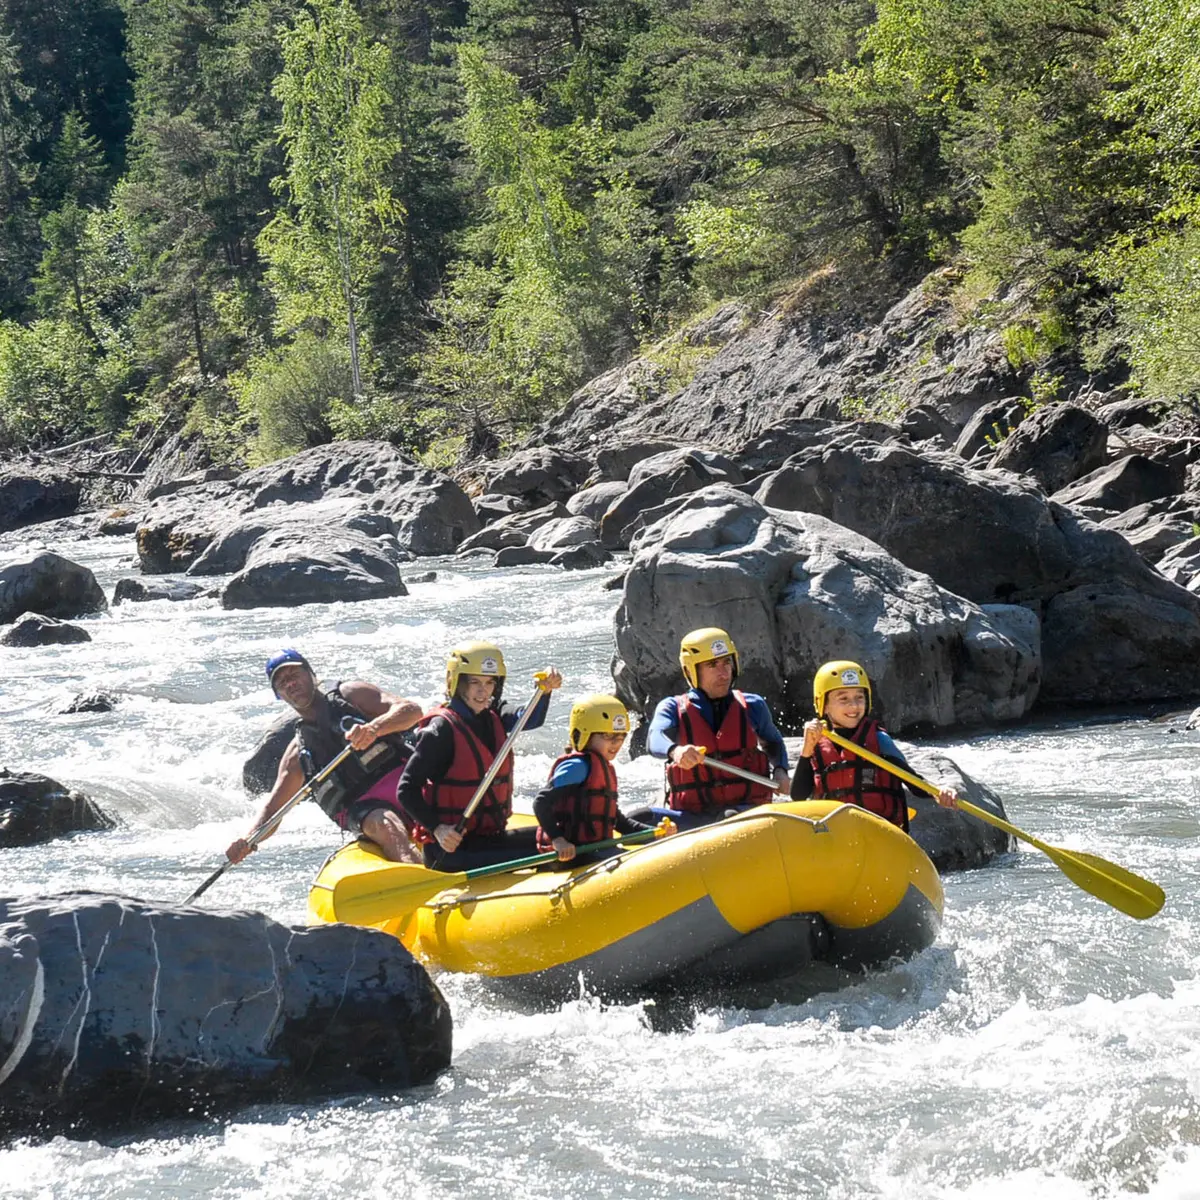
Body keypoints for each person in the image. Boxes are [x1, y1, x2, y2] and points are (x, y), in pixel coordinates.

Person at [225, 649, 423, 865]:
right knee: (386, 824)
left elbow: (412, 711)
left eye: (294, 675)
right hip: (367, 810)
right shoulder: (296, 756)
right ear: (279, 695)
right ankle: (427, 883)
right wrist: (248, 840)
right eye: (282, 682)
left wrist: (374, 728)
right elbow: (272, 810)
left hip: (407, 783)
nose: (290, 684)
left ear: (312, 675)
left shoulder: (352, 695)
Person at [396, 640, 562, 871]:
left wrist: (544, 693)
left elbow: (529, 718)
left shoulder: (494, 713)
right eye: (474, 682)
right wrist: (438, 828)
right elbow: (406, 788)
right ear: (457, 683)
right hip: (451, 851)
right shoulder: (441, 730)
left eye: (489, 683)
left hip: (488, 838)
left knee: (562, 834)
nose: (483, 691)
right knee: (552, 850)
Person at [647, 627, 790, 829]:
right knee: (641, 816)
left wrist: (780, 770)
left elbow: (773, 742)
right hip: (693, 816)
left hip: (745, 811)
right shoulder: (672, 708)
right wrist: (675, 750)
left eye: (727, 663)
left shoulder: (753, 705)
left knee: (728, 817)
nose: (724, 673)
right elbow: (654, 738)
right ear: (691, 670)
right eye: (713, 665)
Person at [791, 660, 958, 832]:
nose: (854, 706)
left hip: (879, 833)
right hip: (836, 836)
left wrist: (939, 793)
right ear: (824, 704)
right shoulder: (817, 743)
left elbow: (914, 783)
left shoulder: (879, 739)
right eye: (843, 699)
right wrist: (807, 749)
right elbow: (798, 795)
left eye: (859, 697)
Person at [533, 694, 668, 864]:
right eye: (608, 736)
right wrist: (558, 839)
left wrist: (655, 833)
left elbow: (619, 822)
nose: (616, 743)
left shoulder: (605, 768)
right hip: (572, 854)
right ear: (584, 735)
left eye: (621, 737)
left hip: (595, 850)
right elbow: (541, 802)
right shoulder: (577, 766)